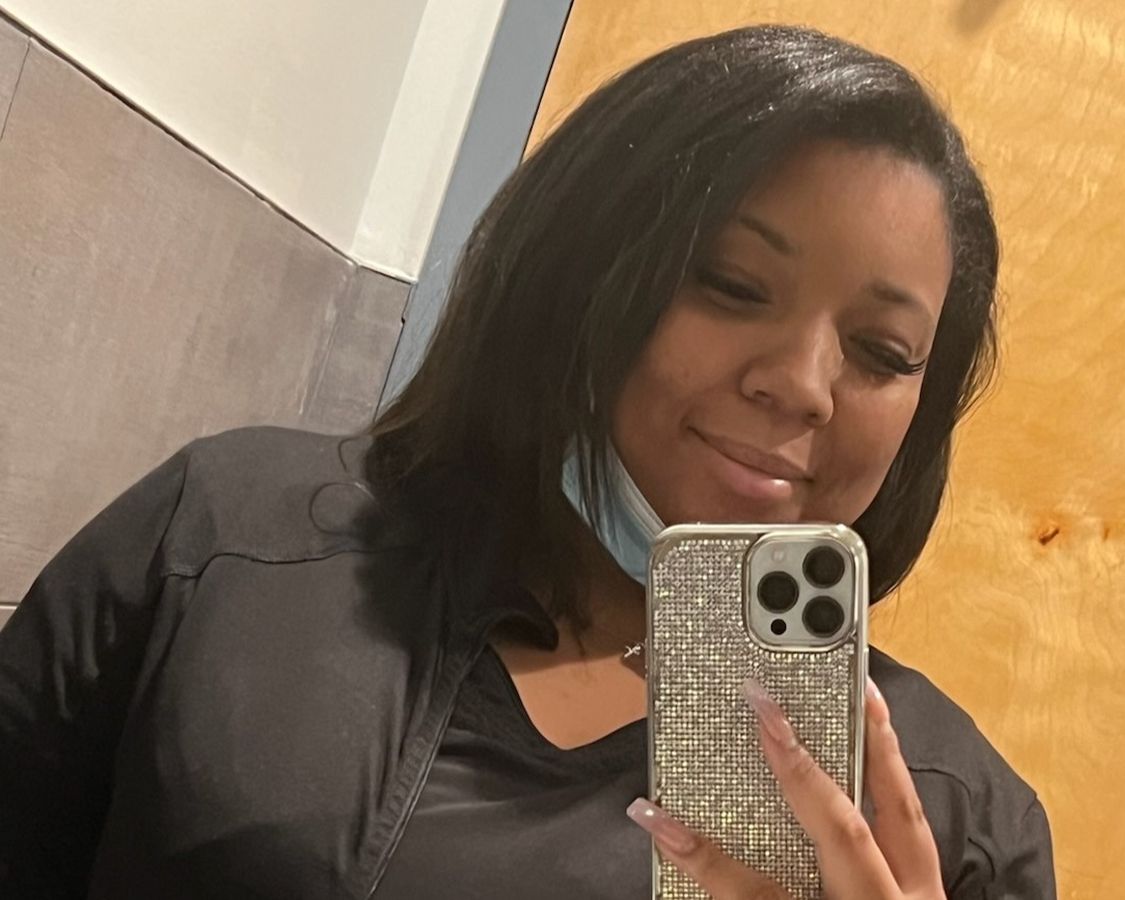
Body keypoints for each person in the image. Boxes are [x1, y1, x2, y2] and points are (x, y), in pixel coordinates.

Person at [0, 24, 1055, 899]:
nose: (804, 382)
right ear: (584, 270)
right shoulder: (228, 543)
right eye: (733, 284)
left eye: (882, 352)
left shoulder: (957, 819)